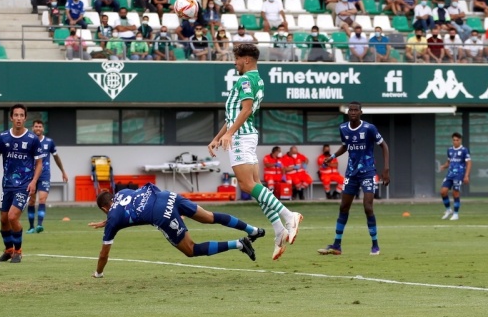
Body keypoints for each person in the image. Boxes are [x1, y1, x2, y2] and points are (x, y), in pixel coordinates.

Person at [208, 43, 303, 261]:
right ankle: (279, 230)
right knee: (256, 186)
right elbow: (236, 114)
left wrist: (230, 134)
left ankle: (290, 216)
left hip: (242, 136)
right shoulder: (257, 79)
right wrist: (217, 137)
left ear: (246, 60)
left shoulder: (245, 79)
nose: (234, 62)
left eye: (236, 59)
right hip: (245, 134)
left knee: (246, 185)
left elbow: (246, 109)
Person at [89, 184, 265, 278]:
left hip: (161, 213)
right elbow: (131, 207)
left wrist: (98, 273)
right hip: (167, 196)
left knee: (191, 249)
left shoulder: (113, 218)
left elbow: (104, 255)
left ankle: (239, 244)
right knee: (210, 217)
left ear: (104, 208)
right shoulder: (123, 192)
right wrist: (110, 220)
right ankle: (254, 230)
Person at [318, 102, 390, 256]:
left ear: (361, 112)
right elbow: (346, 146)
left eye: (355, 110)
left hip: (368, 172)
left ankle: (375, 245)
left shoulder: (369, 128)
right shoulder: (343, 128)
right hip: (351, 174)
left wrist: (386, 169)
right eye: (350, 110)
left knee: (368, 207)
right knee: (343, 207)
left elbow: (384, 146)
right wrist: (332, 157)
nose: (352, 112)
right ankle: (337, 245)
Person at [0, 104, 43, 263]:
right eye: (16, 115)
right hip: (7, 185)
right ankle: (8, 250)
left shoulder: (32, 139)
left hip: (24, 185)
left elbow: (39, 163)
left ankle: (18, 251)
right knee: (4, 220)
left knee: (13, 217)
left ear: (25, 118)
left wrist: (34, 182)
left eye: (22, 115)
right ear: (11, 118)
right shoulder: (3, 138)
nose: (19, 118)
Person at [26, 120, 68, 234]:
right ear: (33, 128)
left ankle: (39, 225)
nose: (38, 128)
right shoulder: (28, 140)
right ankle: (31, 227)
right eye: (36, 126)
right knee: (31, 201)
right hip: (30, 174)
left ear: (43, 129)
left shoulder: (49, 142)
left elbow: (56, 157)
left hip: (44, 174)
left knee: (42, 199)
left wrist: (63, 171)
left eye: (40, 126)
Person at [439, 132, 471, 221]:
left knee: (455, 192)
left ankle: (456, 214)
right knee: (443, 191)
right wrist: (444, 166)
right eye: (454, 140)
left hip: (459, 174)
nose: (455, 142)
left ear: (460, 140)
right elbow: (449, 162)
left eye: (457, 140)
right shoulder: (449, 150)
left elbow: (469, 163)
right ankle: (449, 210)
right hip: (450, 174)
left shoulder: (465, 150)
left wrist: (466, 175)